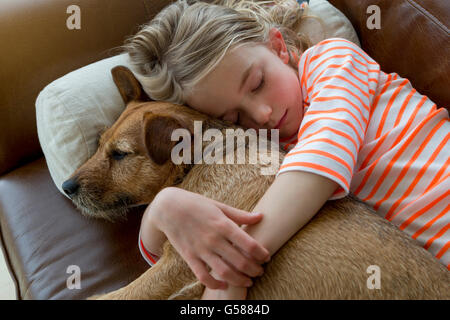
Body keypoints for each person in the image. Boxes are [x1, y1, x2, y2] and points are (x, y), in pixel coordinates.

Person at [127, 0, 449, 299]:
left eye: (257, 83)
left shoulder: (333, 61)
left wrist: (233, 272)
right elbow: (179, 255)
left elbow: (321, 159)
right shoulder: (262, 155)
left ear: (278, 47)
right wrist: (163, 209)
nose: (262, 114)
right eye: (235, 117)